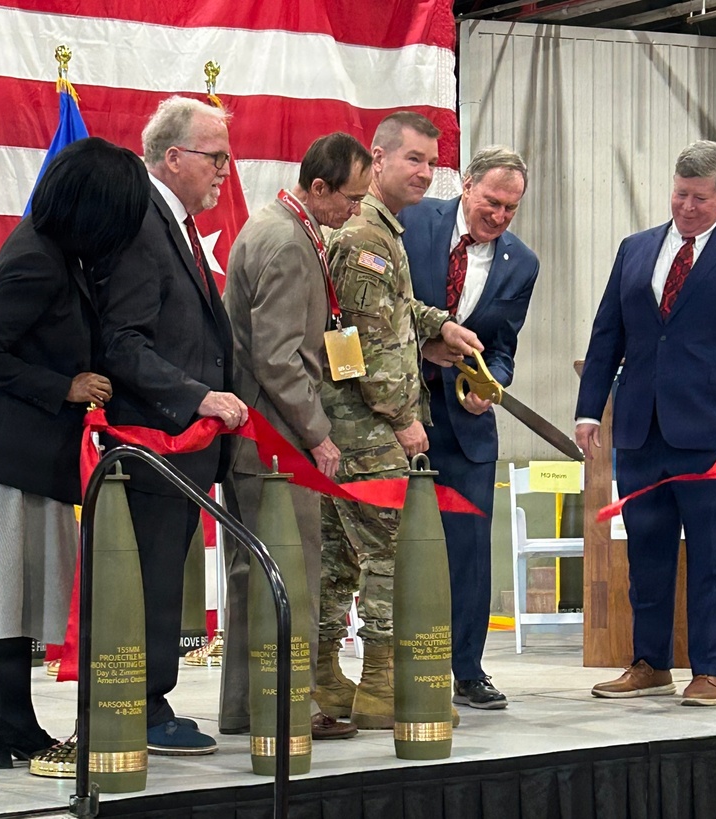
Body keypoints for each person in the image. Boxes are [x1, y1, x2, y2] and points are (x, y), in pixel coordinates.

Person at [0, 137, 149, 768]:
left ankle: (6, 723)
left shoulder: (54, 249)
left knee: (10, 593)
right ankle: (11, 723)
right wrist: (64, 386)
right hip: (1, 454)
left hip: (11, 447)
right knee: (6, 593)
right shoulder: (38, 262)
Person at [575, 140, 716, 706]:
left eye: (700, 198)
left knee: (712, 553)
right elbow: (607, 335)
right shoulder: (635, 248)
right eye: (679, 195)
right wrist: (587, 410)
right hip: (641, 430)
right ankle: (649, 663)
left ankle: (711, 669)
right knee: (646, 551)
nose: (687, 207)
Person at [315, 112, 481, 729]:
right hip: (366, 424)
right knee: (390, 550)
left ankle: (326, 678)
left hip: (344, 426)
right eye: (414, 159)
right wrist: (404, 417)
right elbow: (367, 340)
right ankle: (382, 686)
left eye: (432, 163)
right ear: (378, 159)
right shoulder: (366, 236)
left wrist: (440, 324)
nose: (426, 173)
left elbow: (391, 308)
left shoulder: (380, 229)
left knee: (339, 557)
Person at [97, 96, 249, 755]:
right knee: (152, 580)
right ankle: (141, 705)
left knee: (164, 578)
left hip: (182, 448)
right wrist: (197, 396)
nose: (226, 170)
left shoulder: (175, 224)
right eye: (217, 157)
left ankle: (147, 697)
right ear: (174, 157)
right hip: (154, 441)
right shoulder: (141, 225)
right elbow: (122, 342)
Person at [219, 132, 373, 741]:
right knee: (290, 574)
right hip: (276, 440)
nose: (354, 212)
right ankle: (289, 708)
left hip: (254, 438)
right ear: (319, 187)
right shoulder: (287, 243)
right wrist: (318, 433)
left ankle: (248, 707)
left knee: (251, 575)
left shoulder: (274, 227)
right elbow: (278, 357)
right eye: (351, 199)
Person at [399, 146, 539, 710]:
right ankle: (387, 670)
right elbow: (377, 311)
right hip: (395, 415)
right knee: (384, 549)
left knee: (470, 554)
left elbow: (503, 348)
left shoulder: (522, 263)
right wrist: (426, 346)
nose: (500, 216)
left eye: (511, 208)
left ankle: (467, 670)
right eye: (492, 202)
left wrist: (491, 385)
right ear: (467, 186)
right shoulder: (412, 222)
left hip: (466, 430)